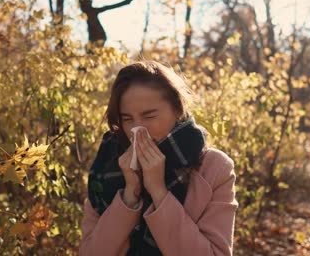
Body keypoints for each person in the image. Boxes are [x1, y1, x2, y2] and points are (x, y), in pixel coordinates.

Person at [79, 60, 239, 256]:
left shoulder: (214, 167)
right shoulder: (106, 165)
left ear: (177, 110)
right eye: (127, 119)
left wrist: (158, 192)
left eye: (149, 116)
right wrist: (129, 195)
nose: (137, 130)